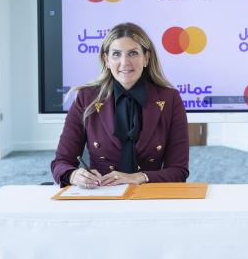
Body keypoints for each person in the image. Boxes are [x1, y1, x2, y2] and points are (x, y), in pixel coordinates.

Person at [51, 22, 189, 188]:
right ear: (106, 60)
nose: (125, 62)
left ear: (146, 58)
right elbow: (61, 162)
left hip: (148, 194)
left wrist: (140, 177)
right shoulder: (86, 98)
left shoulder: (170, 99)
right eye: (116, 54)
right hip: (101, 193)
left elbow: (179, 170)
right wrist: (74, 175)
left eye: (133, 53)